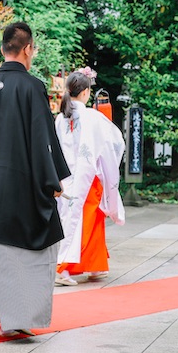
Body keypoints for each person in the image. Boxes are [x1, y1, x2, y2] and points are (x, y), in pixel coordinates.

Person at [0, 22, 70, 337]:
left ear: (3, 49)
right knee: (24, 251)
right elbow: (42, 139)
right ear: (28, 49)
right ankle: (16, 319)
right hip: (21, 184)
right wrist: (52, 180)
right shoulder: (32, 87)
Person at [54, 68, 125, 286]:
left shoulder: (59, 118)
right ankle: (62, 267)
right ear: (85, 92)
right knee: (87, 221)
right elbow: (116, 142)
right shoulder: (92, 117)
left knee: (72, 220)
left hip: (64, 179)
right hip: (87, 177)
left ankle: (94, 265)